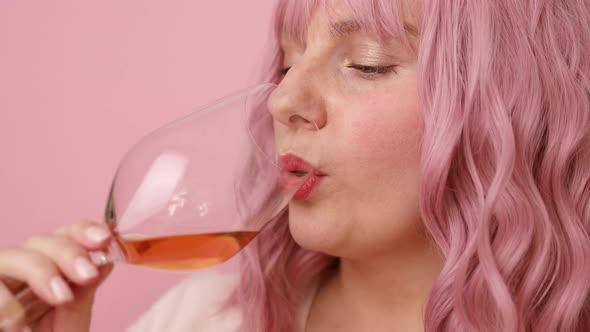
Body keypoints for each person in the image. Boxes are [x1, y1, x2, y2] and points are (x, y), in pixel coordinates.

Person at [1, 0, 589, 331]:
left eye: (367, 64)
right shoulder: (197, 321)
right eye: (287, 64)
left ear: (509, 111)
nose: (282, 101)